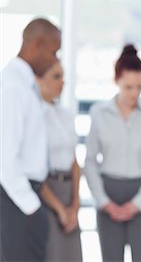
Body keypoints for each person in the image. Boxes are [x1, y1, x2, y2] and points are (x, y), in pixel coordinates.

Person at [84, 44, 141, 262]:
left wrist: (138, 203)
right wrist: (103, 201)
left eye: (139, 87)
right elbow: (90, 161)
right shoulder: (99, 113)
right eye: (128, 87)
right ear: (117, 81)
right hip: (108, 196)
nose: (135, 93)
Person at [0, 18, 61, 261]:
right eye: (54, 52)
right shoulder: (13, 88)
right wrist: (31, 208)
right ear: (36, 45)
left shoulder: (22, 85)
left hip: (23, 201)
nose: (55, 60)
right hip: (18, 204)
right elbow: (4, 157)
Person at [36, 60, 82, 261]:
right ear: (39, 79)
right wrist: (60, 209)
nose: (62, 82)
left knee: (72, 256)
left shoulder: (66, 115)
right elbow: (34, 172)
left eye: (63, 76)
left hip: (68, 193)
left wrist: (75, 204)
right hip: (45, 194)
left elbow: (74, 162)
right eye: (56, 77)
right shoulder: (34, 116)